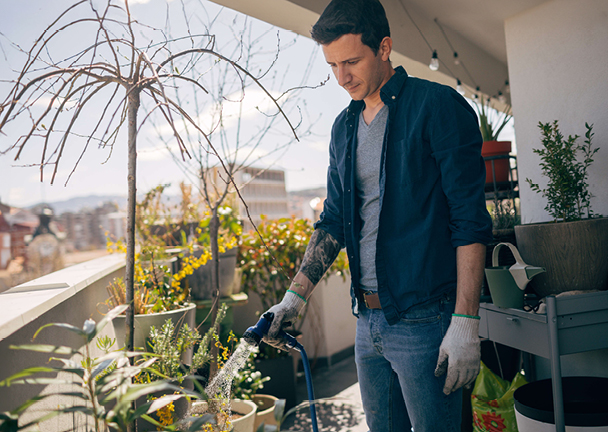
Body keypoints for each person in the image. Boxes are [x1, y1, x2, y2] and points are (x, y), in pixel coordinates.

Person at [261, 0, 493, 430]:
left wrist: (465, 321)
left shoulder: (437, 106)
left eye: (351, 61)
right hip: (367, 323)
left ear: (384, 48)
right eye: (332, 65)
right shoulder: (343, 128)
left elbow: (469, 219)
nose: (341, 77)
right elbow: (333, 220)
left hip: (426, 320)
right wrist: (295, 297)